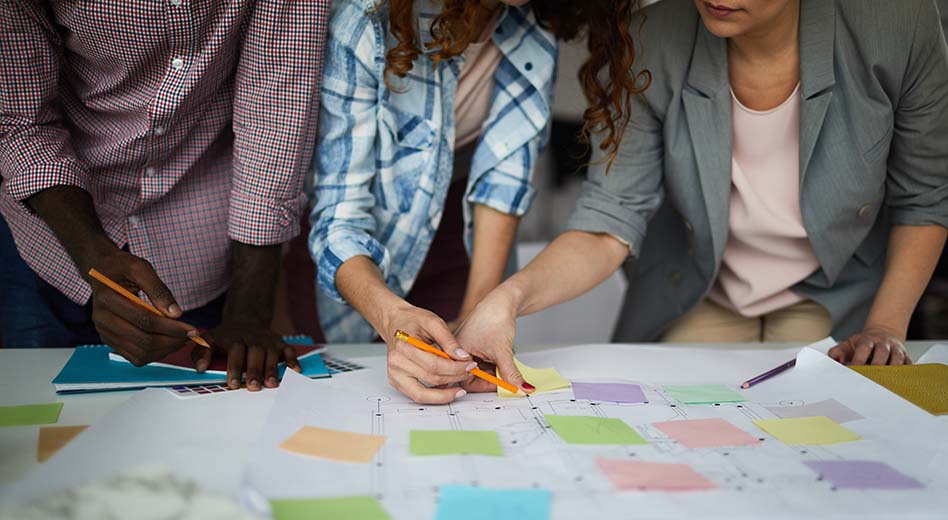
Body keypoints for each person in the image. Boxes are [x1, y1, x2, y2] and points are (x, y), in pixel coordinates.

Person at [412, 0, 948, 404]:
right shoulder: (651, 37)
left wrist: (884, 327)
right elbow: (609, 219)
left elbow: (924, 197)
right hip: (698, 291)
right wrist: (506, 299)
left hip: (839, 295)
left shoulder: (899, 25)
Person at [310, 0, 641, 402]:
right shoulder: (367, 20)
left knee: (456, 397)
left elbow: (505, 182)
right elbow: (338, 217)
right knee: (348, 396)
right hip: (347, 262)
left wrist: (476, 318)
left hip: (456, 233)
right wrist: (391, 316)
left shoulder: (536, 19)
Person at [0, 0, 330, 391]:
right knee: (39, 426)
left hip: (200, 241)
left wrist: (250, 312)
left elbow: (276, 109)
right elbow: (21, 119)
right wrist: (94, 257)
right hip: (45, 246)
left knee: (201, 433)